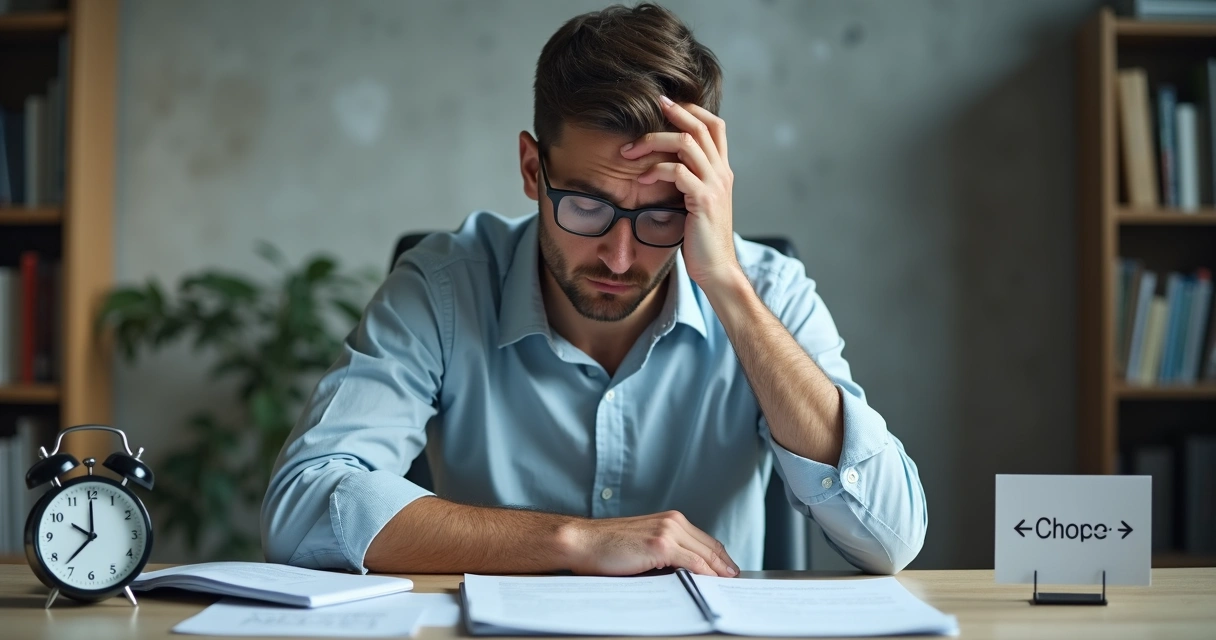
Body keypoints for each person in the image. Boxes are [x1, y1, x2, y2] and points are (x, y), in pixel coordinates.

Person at [262, 2, 926, 577]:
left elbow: (890, 538)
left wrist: (725, 281)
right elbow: (305, 501)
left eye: (661, 214)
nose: (619, 252)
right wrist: (572, 541)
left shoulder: (768, 292)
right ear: (532, 168)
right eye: (585, 204)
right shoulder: (443, 285)